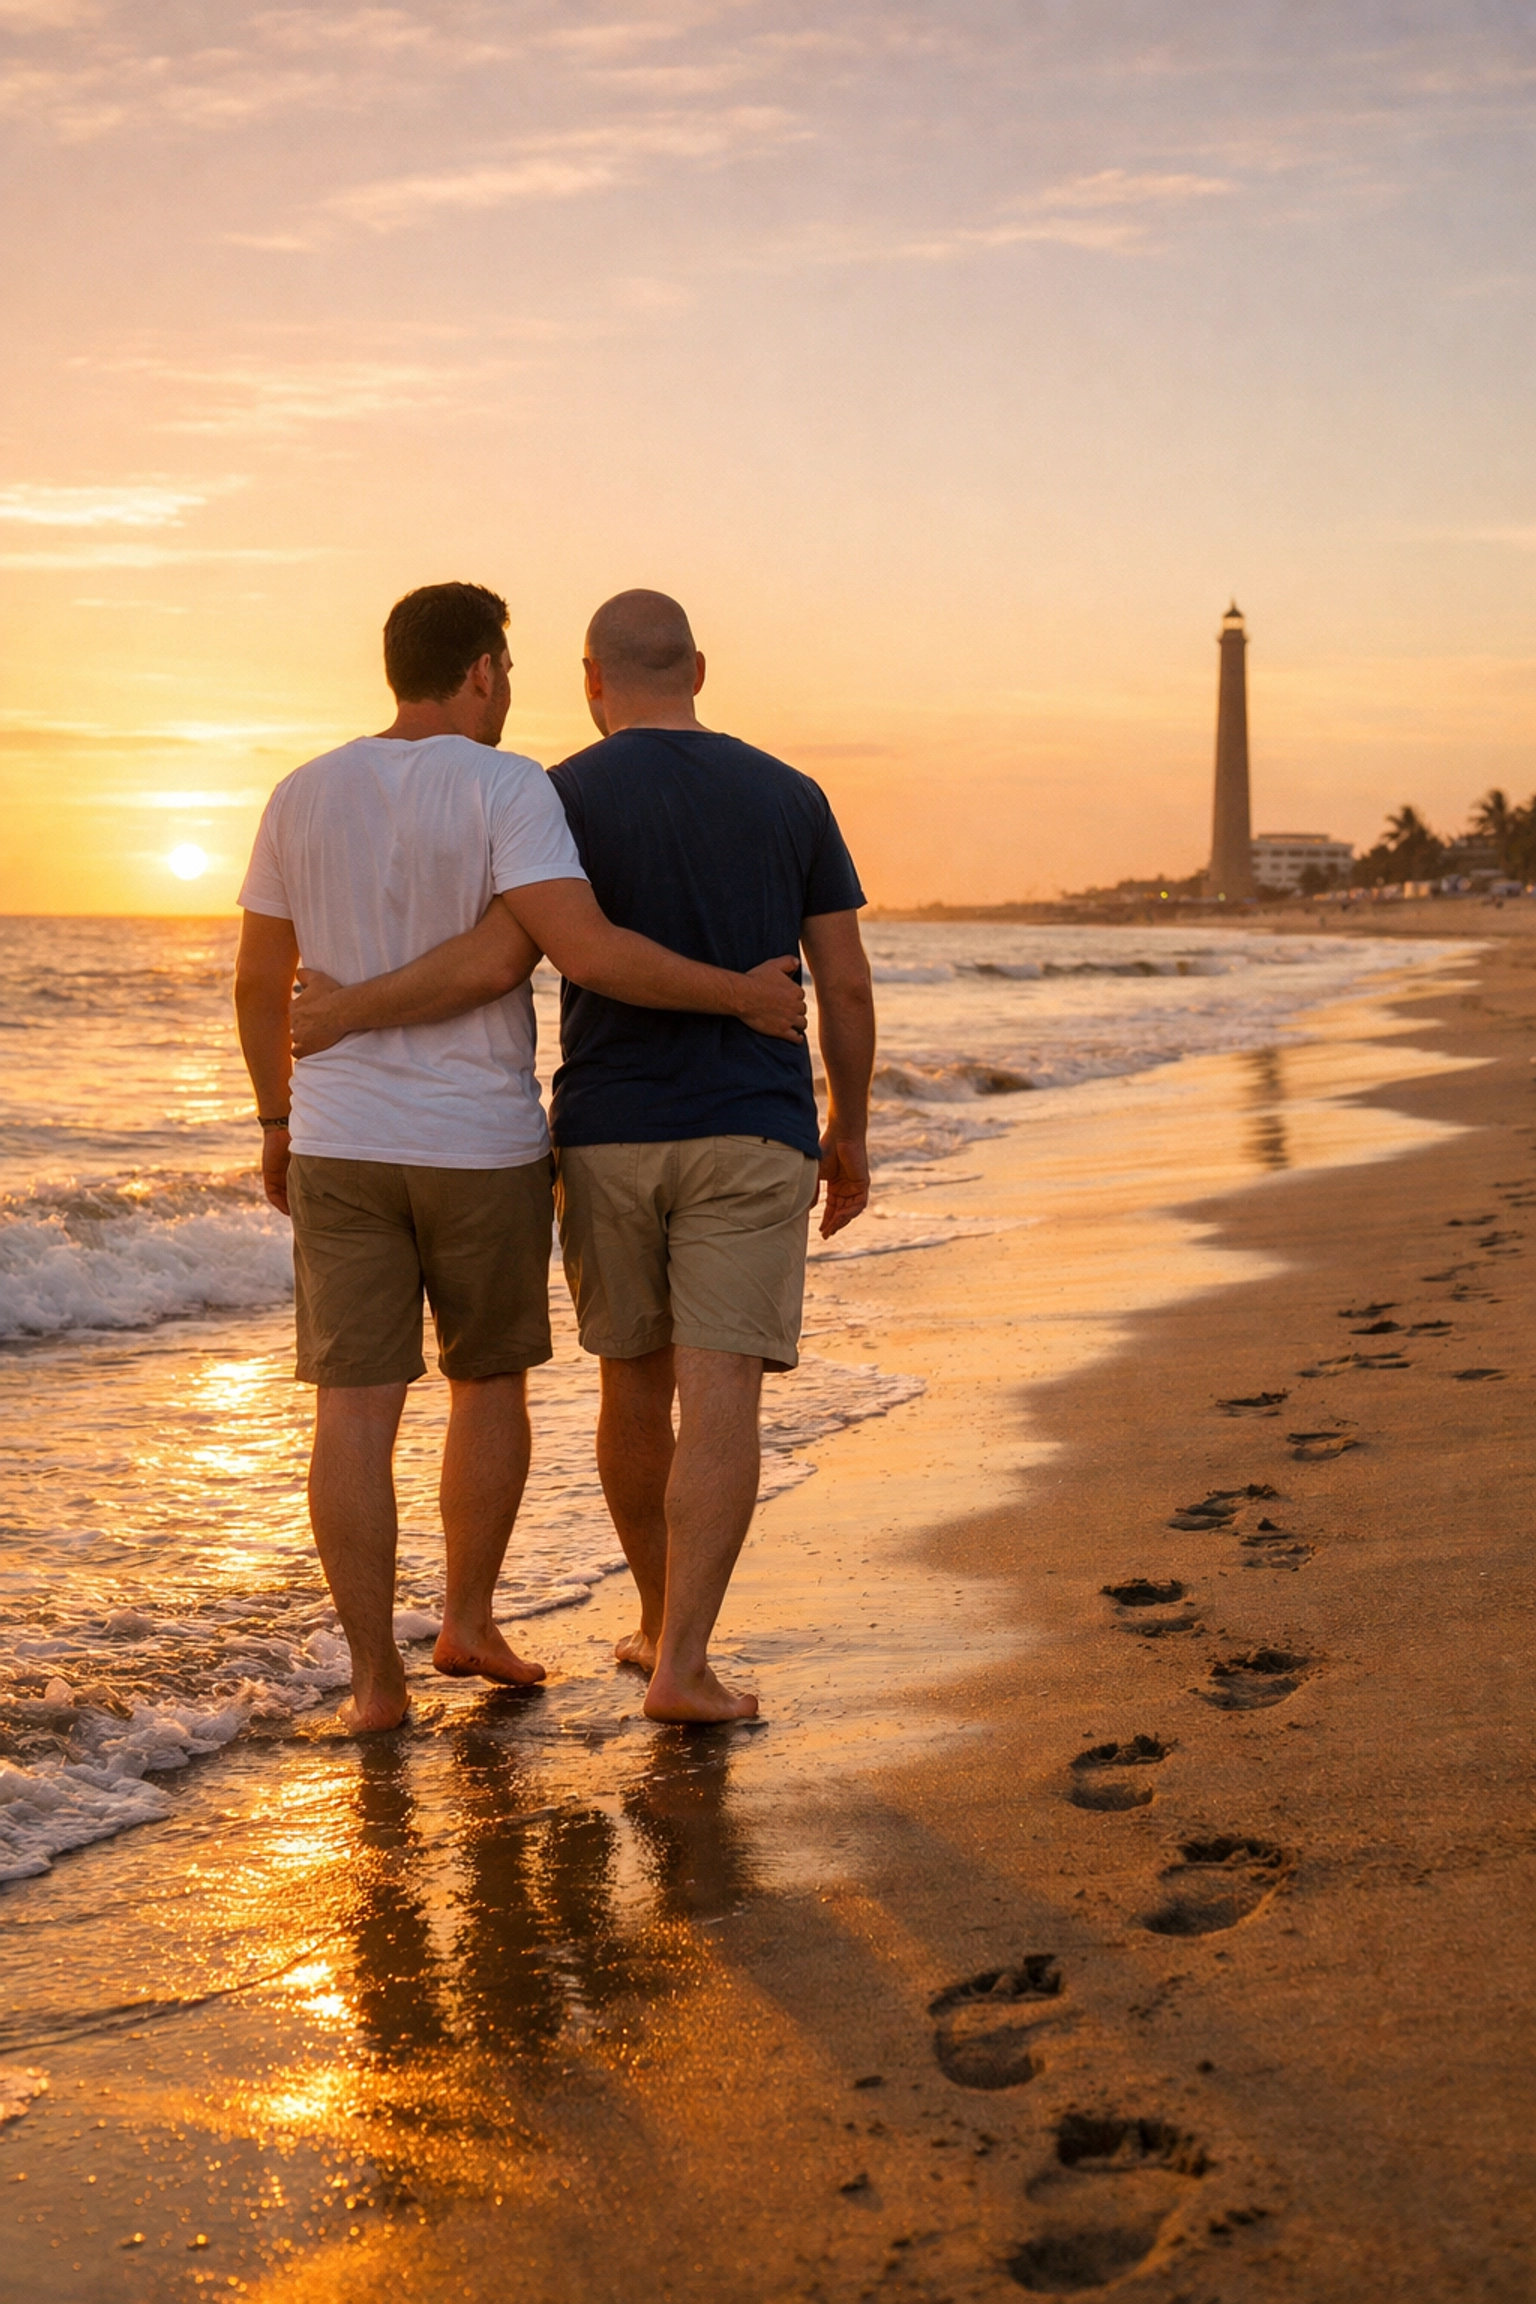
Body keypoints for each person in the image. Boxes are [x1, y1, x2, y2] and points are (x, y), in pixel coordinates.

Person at [290, 590, 875, 1725]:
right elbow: (843, 981)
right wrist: (847, 1124)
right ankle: (681, 1660)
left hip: (605, 1132)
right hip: (754, 1127)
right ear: (699, 666)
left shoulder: (554, 791)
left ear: (593, 680)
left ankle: (654, 1619)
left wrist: (345, 1014)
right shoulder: (793, 793)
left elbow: (516, 953)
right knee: (722, 1396)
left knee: (631, 1389)